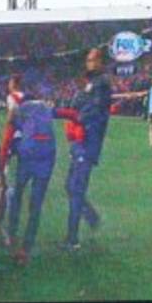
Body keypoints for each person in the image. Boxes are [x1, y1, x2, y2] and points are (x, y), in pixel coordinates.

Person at [59, 47, 112, 251]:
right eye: (87, 60)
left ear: (100, 62)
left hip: (88, 143)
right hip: (78, 142)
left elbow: (95, 110)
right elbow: (75, 103)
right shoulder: (88, 83)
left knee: (76, 188)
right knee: (69, 187)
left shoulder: (102, 84)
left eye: (93, 60)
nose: (89, 63)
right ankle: (91, 217)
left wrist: (77, 117)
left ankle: (72, 239)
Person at [1, 85, 58, 264]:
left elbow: (7, 140)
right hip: (47, 157)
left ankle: (11, 235)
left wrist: (2, 169)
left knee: (17, 194)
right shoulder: (44, 108)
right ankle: (26, 248)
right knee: (35, 204)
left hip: (28, 157)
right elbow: (67, 113)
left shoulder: (20, 111)